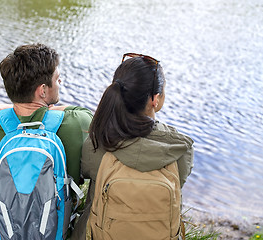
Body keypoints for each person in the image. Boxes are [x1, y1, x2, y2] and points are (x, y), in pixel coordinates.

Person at [0, 43, 93, 234]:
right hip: (58, 227)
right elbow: (83, 112)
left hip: (2, 227)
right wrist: (48, 110)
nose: (60, 83)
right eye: (57, 79)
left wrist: (16, 105)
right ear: (42, 90)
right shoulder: (77, 123)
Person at [71, 53, 194, 239]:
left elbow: (85, 171)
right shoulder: (179, 147)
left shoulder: (98, 140)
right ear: (155, 99)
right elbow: (180, 181)